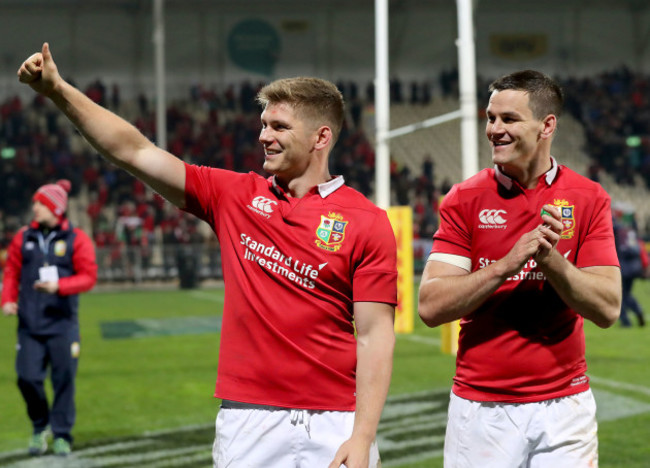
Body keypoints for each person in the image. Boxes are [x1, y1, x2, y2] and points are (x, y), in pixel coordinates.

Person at [17, 43, 397, 468]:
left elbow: (374, 336)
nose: (263, 136)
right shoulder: (233, 195)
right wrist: (58, 91)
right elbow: (135, 152)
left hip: (337, 423)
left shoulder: (367, 220)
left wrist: (363, 436)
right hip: (248, 419)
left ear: (320, 137)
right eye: (263, 124)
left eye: (279, 126)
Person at [418, 70, 622, 467]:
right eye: (491, 118)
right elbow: (430, 306)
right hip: (481, 407)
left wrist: (552, 262)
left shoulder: (589, 197)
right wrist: (504, 266)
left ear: (547, 126)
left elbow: (608, 308)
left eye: (508, 119)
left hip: (566, 408)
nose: (494, 129)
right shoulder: (465, 198)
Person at [1, 179, 98, 457]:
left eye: (40, 203)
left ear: (56, 207)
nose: (35, 207)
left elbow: (89, 277)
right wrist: (7, 299)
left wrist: (61, 287)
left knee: (64, 381)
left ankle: (62, 434)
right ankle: (40, 424)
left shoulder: (76, 239)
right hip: (30, 325)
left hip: (63, 325)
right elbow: (11, 272)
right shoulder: (23, 237)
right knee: (27, 378)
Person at [612, 203, 647, 327]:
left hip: (624, 266)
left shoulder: (617, 229)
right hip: (634, 266)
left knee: (620, 294)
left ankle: (627, 319)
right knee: (625, 293)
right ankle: (634, 313)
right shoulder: (631, 229)